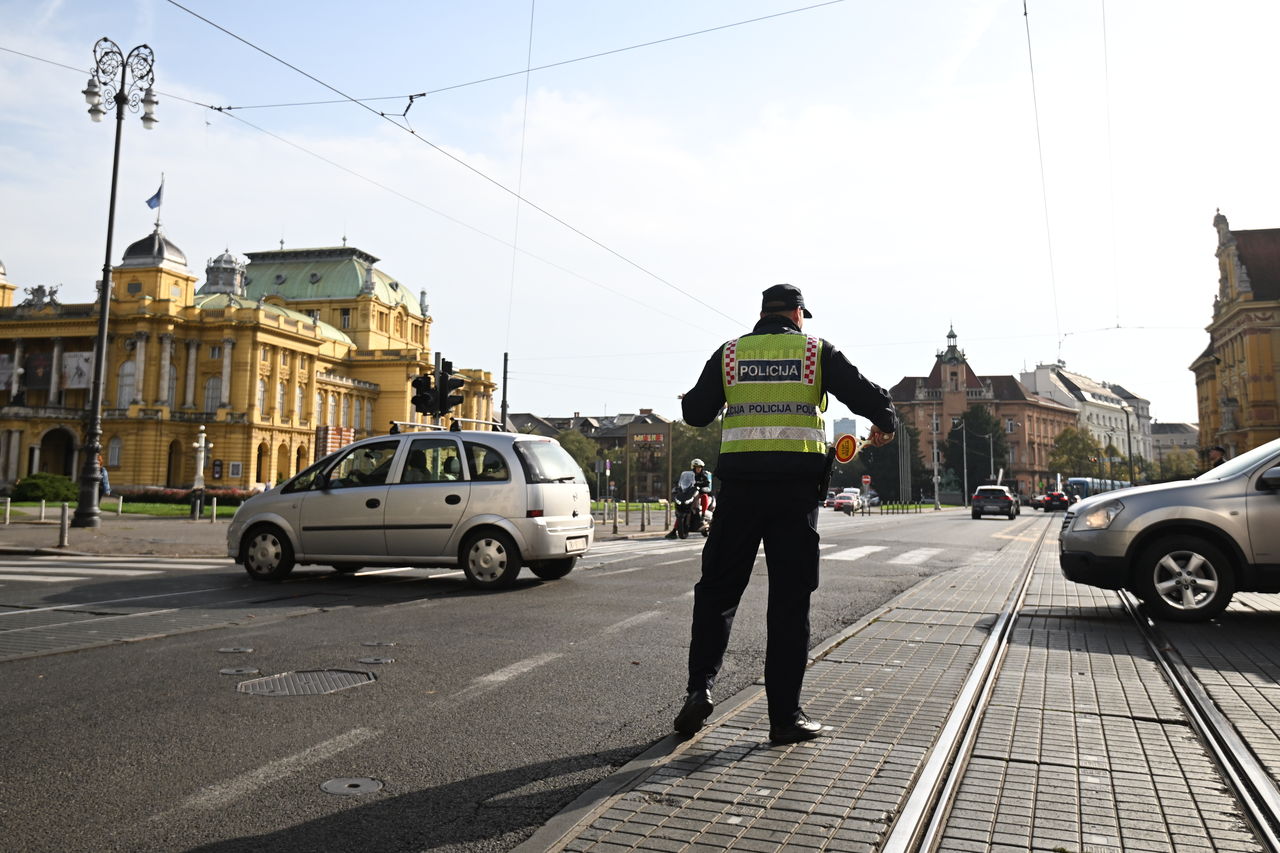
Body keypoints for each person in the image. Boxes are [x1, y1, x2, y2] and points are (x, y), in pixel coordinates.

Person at [673, 284, 897, 744]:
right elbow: (866, 396)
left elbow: (696, 413)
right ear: (798, 315)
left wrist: (698, 397)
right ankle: (783, 718)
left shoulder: (731, 354)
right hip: (794, 497)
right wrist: (886, 420)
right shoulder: (816, 352)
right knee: (790, 603)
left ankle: (700, 689)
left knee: (717, 591)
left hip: (738, 494)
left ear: (761, 314)